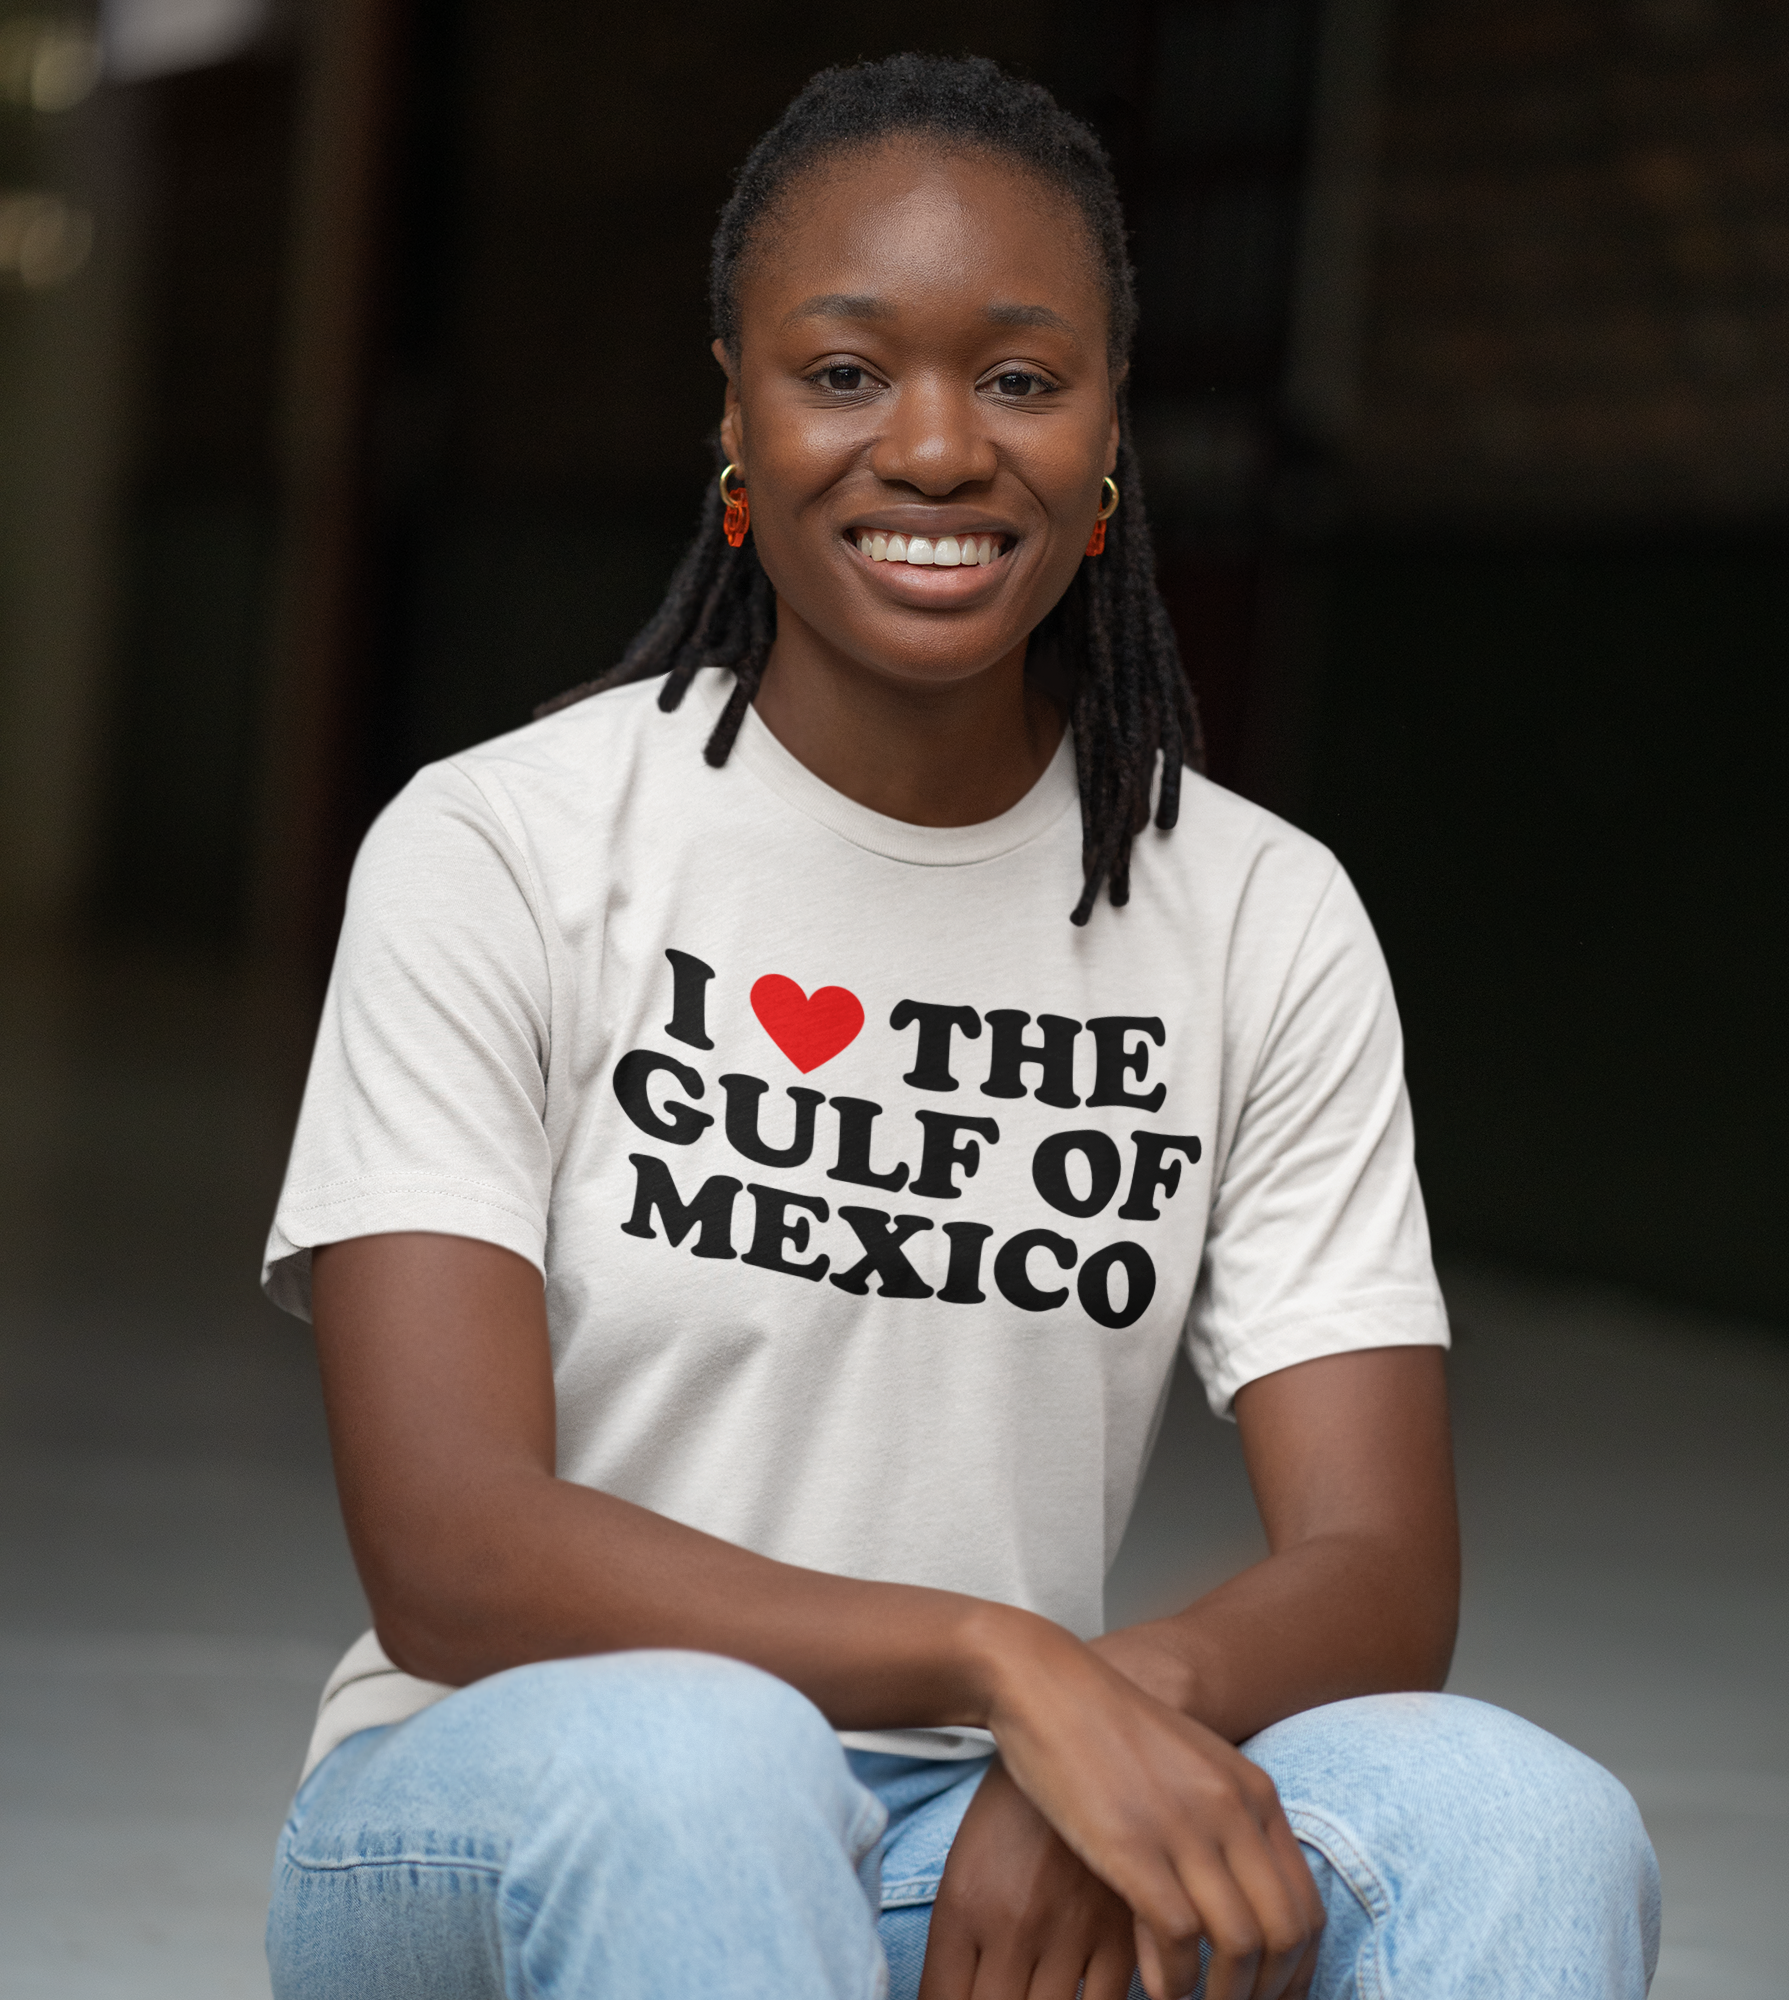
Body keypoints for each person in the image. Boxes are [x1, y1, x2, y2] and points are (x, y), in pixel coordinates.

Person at [260, 52, 1659, 2000]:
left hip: (956, 1842)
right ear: (736, 432)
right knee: (703, 1753)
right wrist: (1003, 1658)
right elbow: (450, 1543)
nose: (935, 447)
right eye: (844, 373)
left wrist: (1107, 1715)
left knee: (1519, 1816)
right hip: (502, 1810)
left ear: (1104, 447)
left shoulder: (1252, 912)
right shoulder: (505, 844)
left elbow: (1379, 1561)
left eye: (1018, 377)